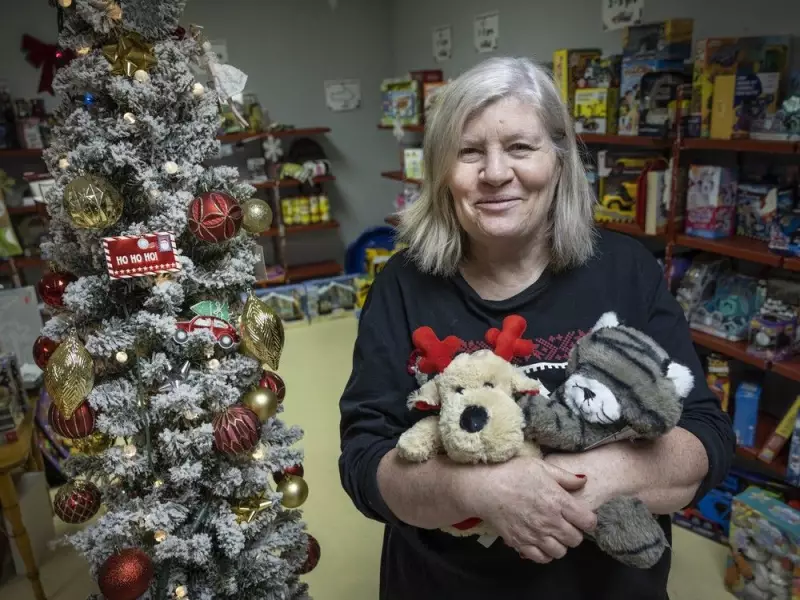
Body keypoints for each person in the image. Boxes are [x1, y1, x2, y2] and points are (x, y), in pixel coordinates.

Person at [338, 56, 735, 600]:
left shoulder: (626, 270)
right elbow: (364, 464)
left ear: (561, 159)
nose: (495, 172)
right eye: (469, 152)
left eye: (521, 147)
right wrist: (479, 489)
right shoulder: (401, 285)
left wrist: (581, 482)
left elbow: (706, 436)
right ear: (441, 171)